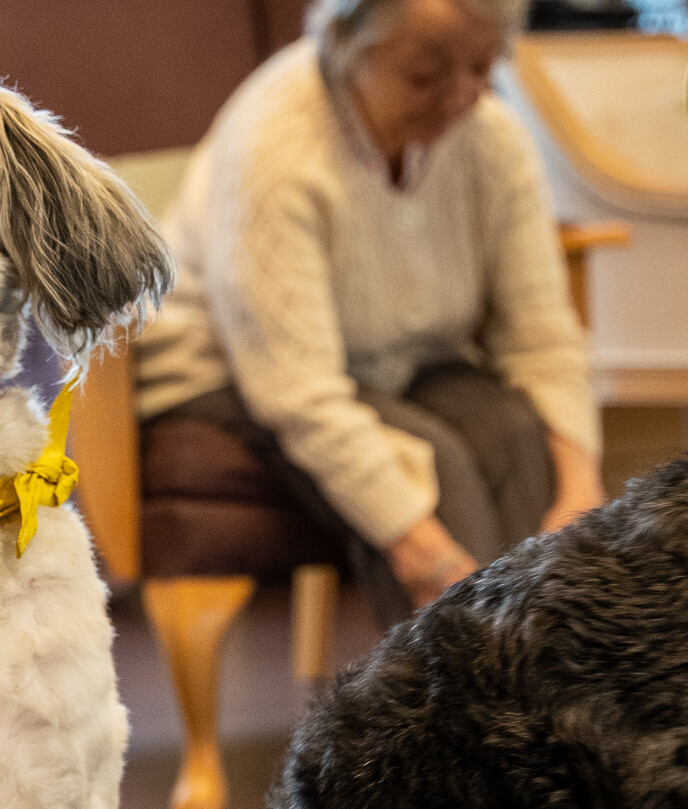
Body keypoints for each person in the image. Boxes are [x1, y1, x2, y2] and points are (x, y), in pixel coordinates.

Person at [135, 0, 604, 622]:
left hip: (394, 362)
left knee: (513, 431)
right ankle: (449, 705)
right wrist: (429, 557)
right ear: (345, 48)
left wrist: (581, 489)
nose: (462, 98)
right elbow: (299, 393)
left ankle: (549, 701)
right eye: (425, 76)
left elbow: (541, 338)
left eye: (481, 68)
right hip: (223, 367)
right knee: (427, 464)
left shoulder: (492, 138)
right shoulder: (276, 146)